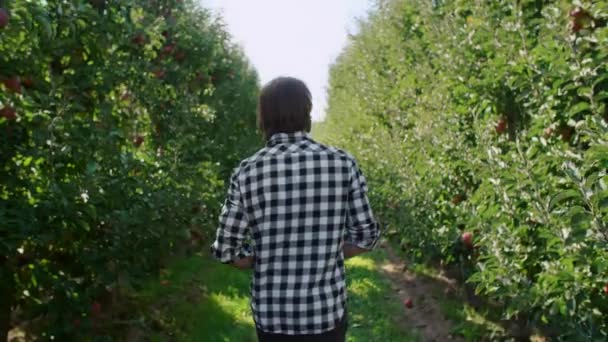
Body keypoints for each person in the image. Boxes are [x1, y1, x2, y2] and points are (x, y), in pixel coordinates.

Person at [210, 76, 381, 342]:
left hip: (272, 317)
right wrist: (328, 253)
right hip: (325, 313)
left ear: (263, 118)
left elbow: (226, 250)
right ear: (307, 114)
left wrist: (264, 257)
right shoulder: (343, 163)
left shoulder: (247, 172)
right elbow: (366, 236)